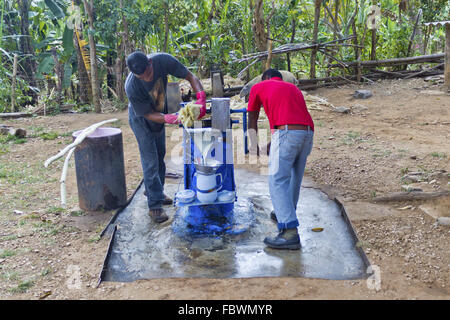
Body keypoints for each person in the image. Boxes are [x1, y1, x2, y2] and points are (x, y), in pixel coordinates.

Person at [125, 51, 206, 223]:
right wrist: (169, 118)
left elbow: (190, 76)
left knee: (160, 154)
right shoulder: (131, 85)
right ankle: (154, 206)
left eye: (148, 73)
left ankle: (157, 191)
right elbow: (147, 114)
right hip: (142, 119)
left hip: (159, 112)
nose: (146, 78)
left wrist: (201, 97)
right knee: (150, 160)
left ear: (150, 63)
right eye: (142, 77)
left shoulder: (163, 60)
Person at [247, 68, 314, 250]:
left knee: (277, 179)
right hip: (307, 133)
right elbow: (291, 122)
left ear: (265, 78)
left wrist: (252, 144)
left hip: (287, 133)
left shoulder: (259, 86)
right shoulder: (293, 89)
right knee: (293, 177)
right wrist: (273, 143)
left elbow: (252, 116)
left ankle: (289, 232)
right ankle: (284, 213)